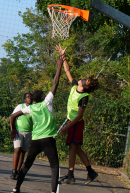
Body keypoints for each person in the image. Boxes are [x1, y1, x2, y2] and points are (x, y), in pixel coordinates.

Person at [10, 57, 63, 193]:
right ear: (42, 97)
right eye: (43, 93)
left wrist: (12, 129)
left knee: (27, 165)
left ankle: (16, 188)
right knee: (54, 166)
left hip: (36, 139)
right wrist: (59, 66)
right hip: (47, 139)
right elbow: (55, 82)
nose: (45, 93)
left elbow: (14, 115)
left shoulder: (30, 108)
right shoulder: (48, 102)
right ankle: (53, 191)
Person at [55, 44, 99, 185]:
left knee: (72, 148)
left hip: (76, 123)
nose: (84, 79)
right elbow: (67, 70)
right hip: (72, 123)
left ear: (86, 86)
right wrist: (63, 56)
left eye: (87, 81)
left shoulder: (84, 97)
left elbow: (79, 116)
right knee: (77, 148)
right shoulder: (75, 86)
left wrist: (67, 127)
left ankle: (70, 175)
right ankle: (90, 172)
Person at [10, 93, 33, 180]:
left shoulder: (33, 108)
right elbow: (12, 117)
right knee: (17, 149)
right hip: (19, 131)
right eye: (28, 97)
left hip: (29, 132)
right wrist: (13, 129)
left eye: (31, 97)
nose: (30, 98)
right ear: (24, 99)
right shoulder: (20, 106)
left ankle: (18, 171)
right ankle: (13, 170)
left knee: (23, 152)